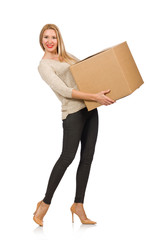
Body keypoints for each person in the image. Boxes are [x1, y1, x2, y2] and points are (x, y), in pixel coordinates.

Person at [33, 23, 115, 226]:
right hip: (73, 113)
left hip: (90, 110)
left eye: (53, 37)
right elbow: (64, 90)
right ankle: (44, 204)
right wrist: (93, 96)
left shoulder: (67, 56)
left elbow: (86, 74)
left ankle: (78, 205)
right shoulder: (44, 66)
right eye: (46, 38)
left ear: (58, 38)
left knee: (87, 158)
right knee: (67, 157)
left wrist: (105, 91)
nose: (50, 41)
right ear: (41, 41)